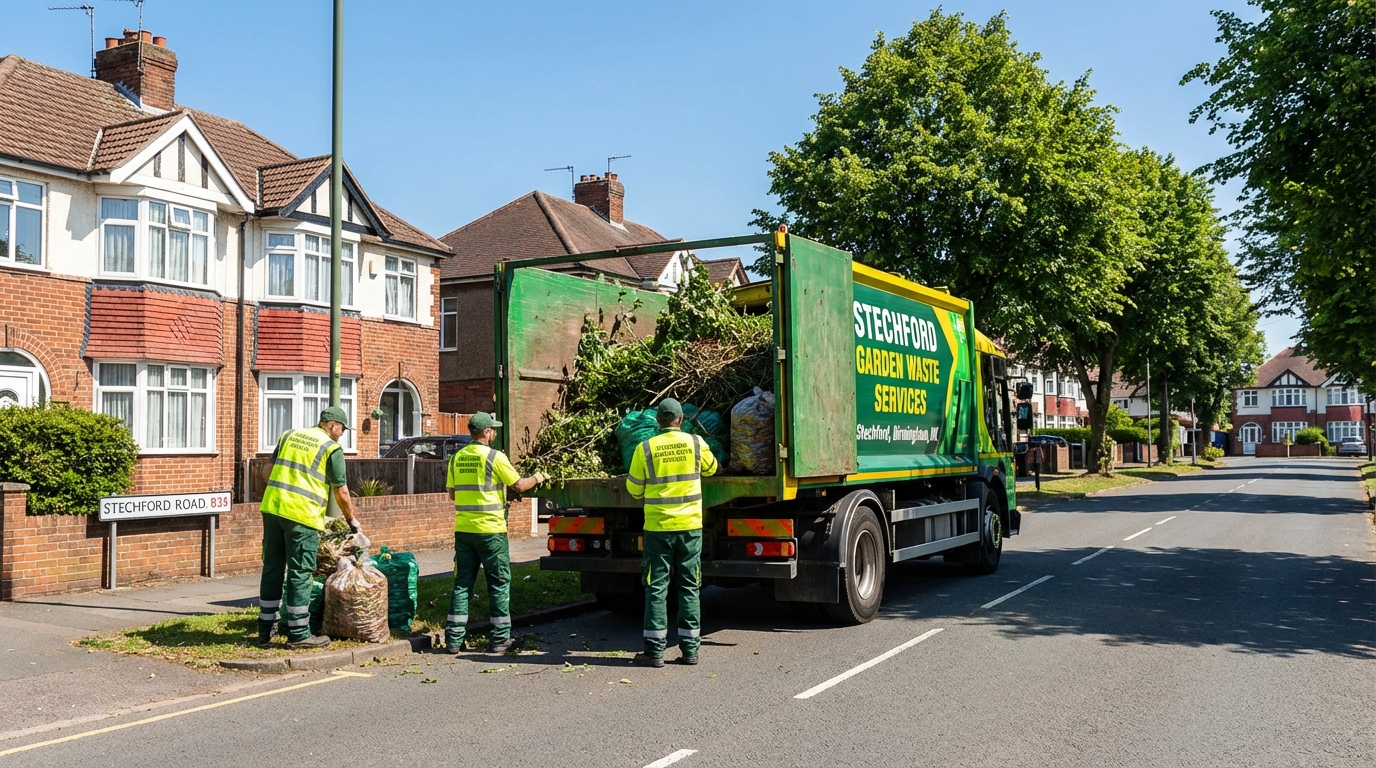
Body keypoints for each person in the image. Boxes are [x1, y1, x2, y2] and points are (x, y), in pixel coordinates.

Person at [626, 398, 718, 668]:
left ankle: (654, 652)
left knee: (656, 588)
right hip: (690, 529)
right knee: (690, 587)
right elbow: (712, 469)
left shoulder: (645, 448)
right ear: (680, 419)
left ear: (658, 421)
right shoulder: (696, 443)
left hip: (658, 530)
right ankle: (690, 651)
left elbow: (634, 490)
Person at [445, 411, 547, 654]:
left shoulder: (456, 458)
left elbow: (452, 494)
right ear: (487, 432)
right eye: (494, 429)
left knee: (462, 584)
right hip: (491, 531)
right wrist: (539, 476)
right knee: (499, 584)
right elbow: (519, 485)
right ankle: (500, 640)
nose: (495, 433)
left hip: (464, 530)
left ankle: (453, 640)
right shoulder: (495, 457)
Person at [258, 406, 359, 649]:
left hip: (273, 509)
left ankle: (265, 629)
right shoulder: (331, 448)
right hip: (301, 516)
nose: (341, 434)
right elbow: (341, 491)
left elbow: (267, 471)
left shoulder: (288, 435)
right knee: (299, 572)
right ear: (333, 424)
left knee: (272, 568)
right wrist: (352, 521)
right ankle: (299, 632)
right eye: (342, 429)